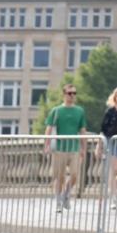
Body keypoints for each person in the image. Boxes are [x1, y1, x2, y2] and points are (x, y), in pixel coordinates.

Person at [44, 83, 87, 213]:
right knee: (59, 176)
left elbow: (82, 130)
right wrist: (46, 145)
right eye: (69, 93)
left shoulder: (80, 111)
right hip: (59, 148)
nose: (72, 95)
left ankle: (66, 194)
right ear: (64, 94)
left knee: (74, 175)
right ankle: (58, 201)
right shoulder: (56, 110)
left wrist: (84, 147)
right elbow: (49, 128)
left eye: (74, 93)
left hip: (74, 148)